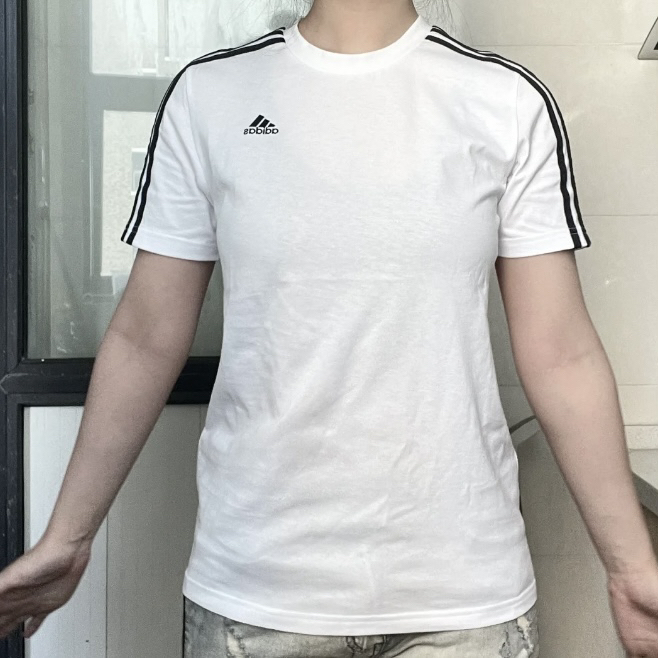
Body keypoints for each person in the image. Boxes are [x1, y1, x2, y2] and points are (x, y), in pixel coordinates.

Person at [1, 0, 657, 656]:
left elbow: (561, 352)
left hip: (462, 601)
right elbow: (145, 336)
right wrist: (68, 538)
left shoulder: (505, 100)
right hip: (258, 596)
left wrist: (630, 568)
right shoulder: (210, 94)